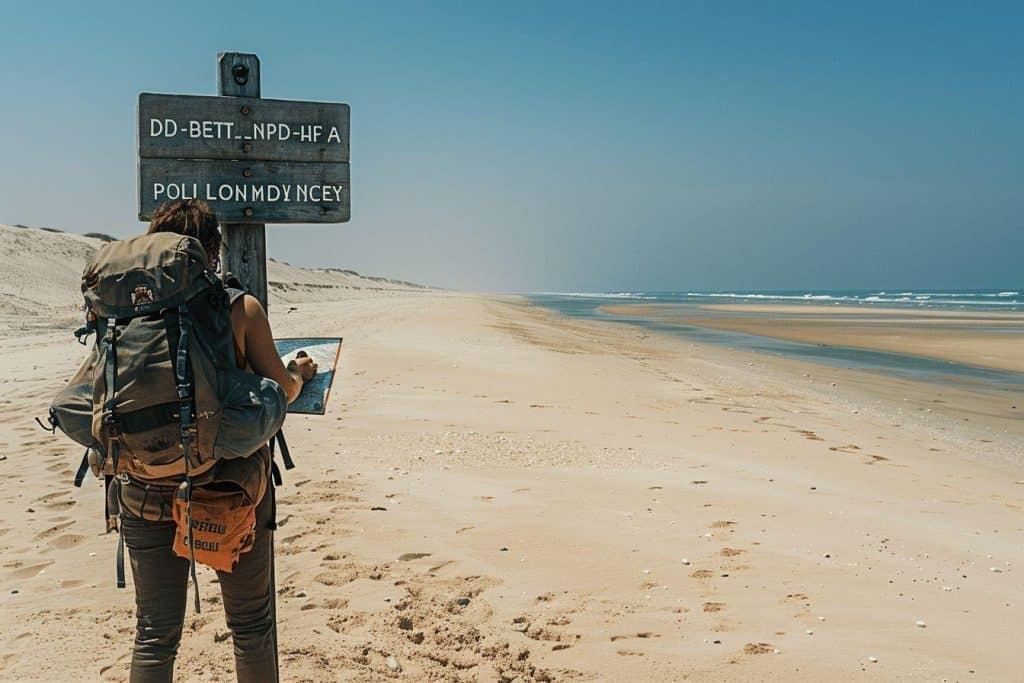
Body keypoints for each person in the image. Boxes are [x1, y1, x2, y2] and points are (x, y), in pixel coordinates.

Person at [120, 199, 316, 683]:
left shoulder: (126, 315)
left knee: (153, 635)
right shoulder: (240, 308)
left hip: (141, 485)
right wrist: (299, 373)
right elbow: (281, 393)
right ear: (213, 252)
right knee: (251, 628)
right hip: (228, 488)